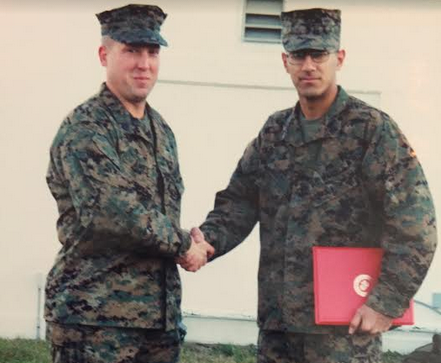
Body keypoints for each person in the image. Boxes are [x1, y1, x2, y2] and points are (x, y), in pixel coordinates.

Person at [185, 8, 437, 363]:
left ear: (339, 58)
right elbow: (239, 201)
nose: (308, 66)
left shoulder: (372, 132)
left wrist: (386, 303)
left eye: (319, 55)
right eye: (299, 56)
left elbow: (416, 227)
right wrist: (208, 242)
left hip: (343, 334)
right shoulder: (275, 132)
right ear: (285, 61)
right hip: (279, 331)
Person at [45, 4, 214, 363]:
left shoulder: (161, 131)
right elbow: (115, 213)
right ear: (104, 54)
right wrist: (186, 244)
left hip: (157, 324)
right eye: (131, 50)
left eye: (152, 52)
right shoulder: (87, 127)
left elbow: (158, 213)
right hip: (95, 322)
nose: (144, 63)